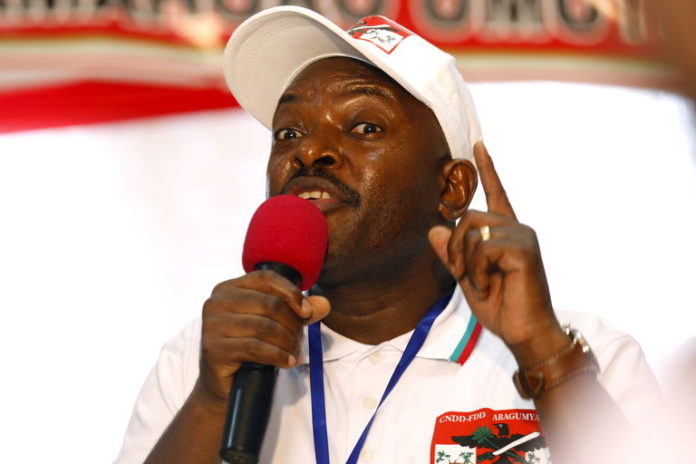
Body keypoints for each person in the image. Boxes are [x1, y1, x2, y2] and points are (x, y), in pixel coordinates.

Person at [115, 6, 659, 464]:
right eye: (289, 132)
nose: (308, 152)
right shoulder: (204, 358)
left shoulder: (589, 354)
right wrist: (215, 397)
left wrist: (542, 353)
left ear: (451, 188)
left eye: (365, 127)